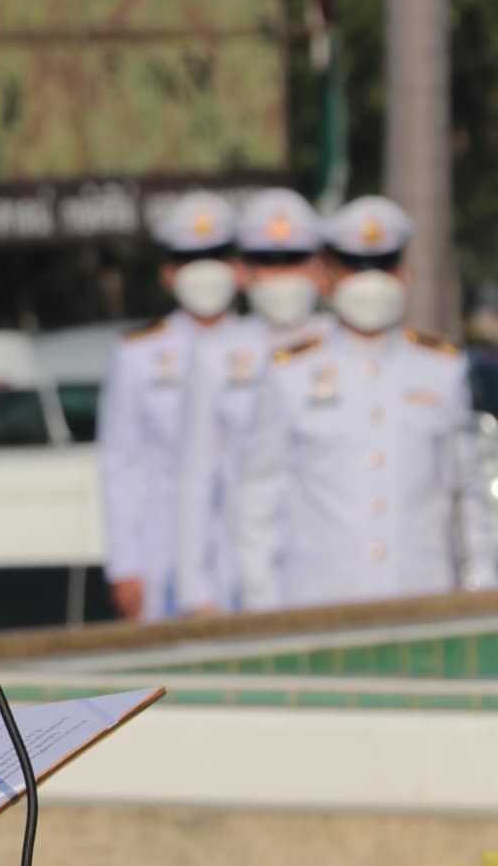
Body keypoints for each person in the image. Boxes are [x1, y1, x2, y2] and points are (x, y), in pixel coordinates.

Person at [233, 195, 497, 609]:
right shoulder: (290, 373)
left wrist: (482, 592)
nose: (370, 280)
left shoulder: (442, 369)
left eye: (383, 265)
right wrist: (262, 607)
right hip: (318, 602)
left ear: (404, 274)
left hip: (423, 596)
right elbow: (257, 500)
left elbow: (467, 496)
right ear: (328, 275)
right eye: (355, 266)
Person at [171, 188, 332, 615]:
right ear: (244, 271)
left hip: (325, 566)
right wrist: (195, 589)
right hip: (235, 573)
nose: (281, 275)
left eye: (293, 260)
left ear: (318, 269)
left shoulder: (339, 349)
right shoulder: (216, 355)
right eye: (267, 261)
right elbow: (195, 477)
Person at [96, 191, 240, 621]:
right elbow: (120, 463)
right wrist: (126, 567)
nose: (205, 271)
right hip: (164, 549)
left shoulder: (264, 349)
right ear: (168, 273)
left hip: (248, 549)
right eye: (190, 259)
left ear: (238, 268)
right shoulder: (139, 354)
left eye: (216, 256)